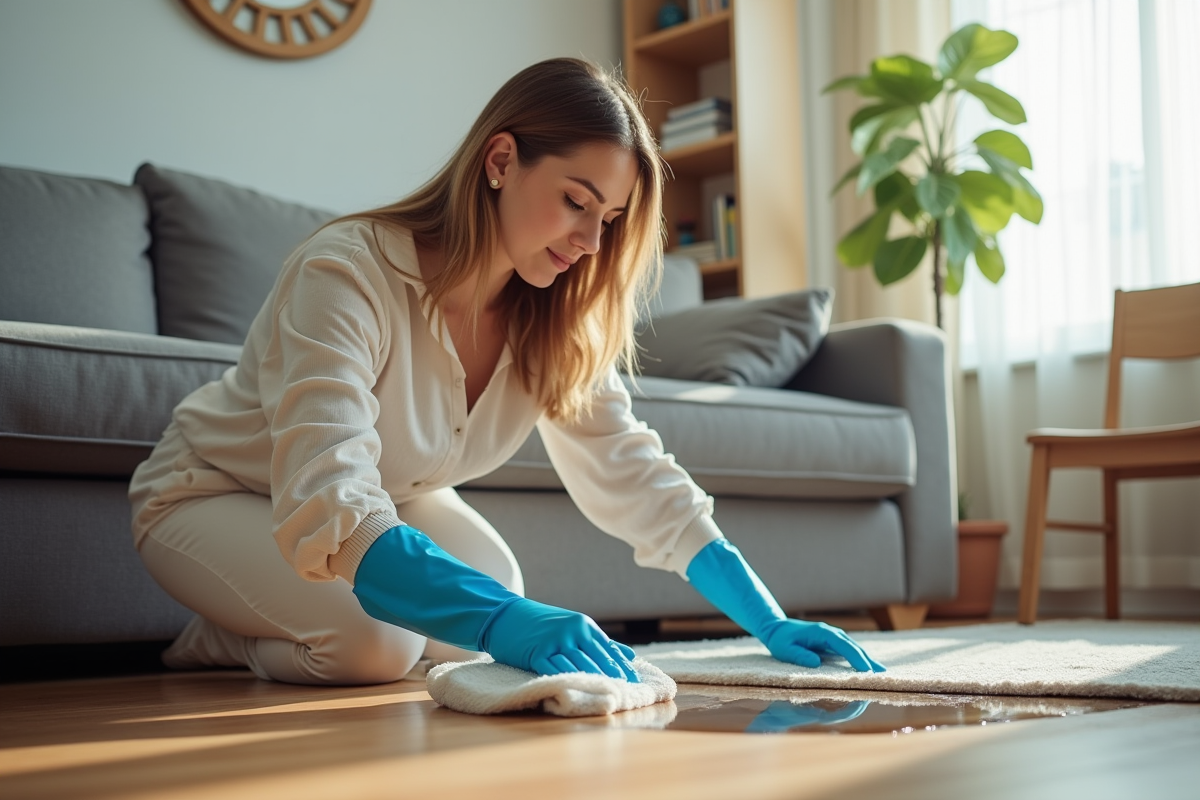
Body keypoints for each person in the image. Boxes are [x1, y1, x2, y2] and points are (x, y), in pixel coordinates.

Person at [129, 57, 885, 687]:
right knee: (377, 646)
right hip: (217, 493)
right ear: (500, 161)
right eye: (576, 202)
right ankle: (218, 639)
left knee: (488, 603)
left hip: (390, 497)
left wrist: (768, 616)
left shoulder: (550, 314)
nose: (592, 240)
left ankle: (286, 613)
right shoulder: (347, 271)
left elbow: (629, 469)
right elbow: (329, 493)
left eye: (610, 220)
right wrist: (494, 620)